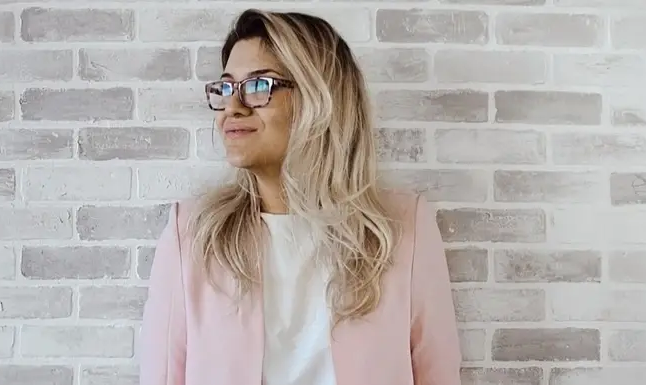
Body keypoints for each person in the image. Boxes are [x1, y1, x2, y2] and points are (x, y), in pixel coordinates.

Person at [138, 8, 462, 385]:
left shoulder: (404, 231)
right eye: (226, 88)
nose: (232, 107)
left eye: (259, 86)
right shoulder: (192, 236)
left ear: (320, 98)